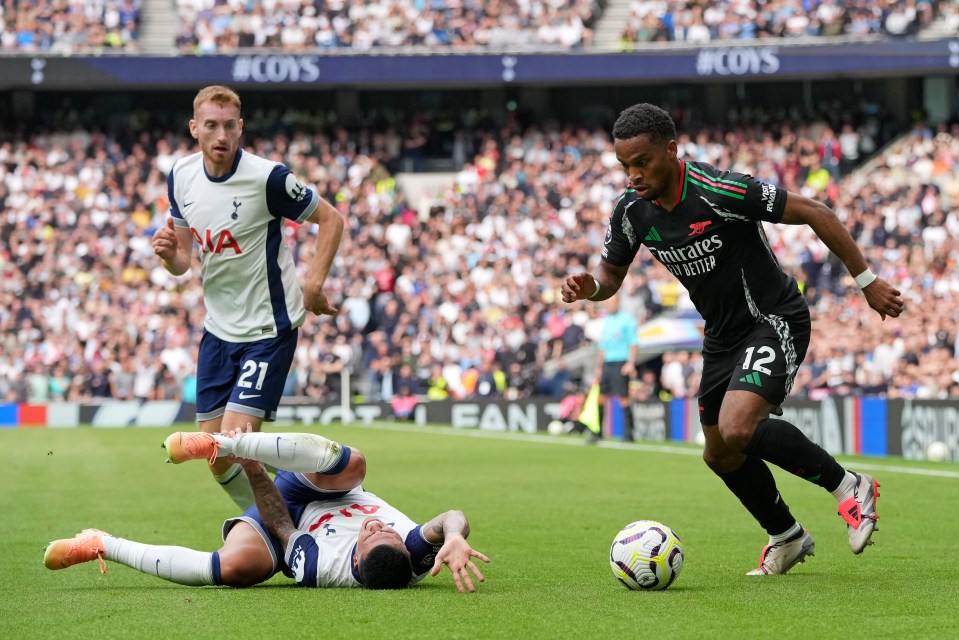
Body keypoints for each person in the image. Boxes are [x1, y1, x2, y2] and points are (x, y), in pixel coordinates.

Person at [561, 103, 905, 575]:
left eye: (642, 162)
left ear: (671, 150)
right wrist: (591, 288)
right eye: (625, 166)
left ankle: (849, 485)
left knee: (740, 427)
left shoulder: (719, 189)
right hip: (722, 337)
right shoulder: (631, 210)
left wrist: (867, 282)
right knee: (719, 451)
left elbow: (815, 210)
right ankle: (786, 536)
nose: (633, 175)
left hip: (773, 317)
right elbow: (611, 274)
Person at [151, 85, 344, 508]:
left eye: (228, 126)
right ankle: (294, 510)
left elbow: (331, 218)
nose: (220, 135)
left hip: (268, 326)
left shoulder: (267, 178)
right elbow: (184, 259)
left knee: (236, 443)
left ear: (240, 128)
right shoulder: (181, 175)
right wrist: (169, 256)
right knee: (216, 456)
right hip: (218, 329)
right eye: (210, 126)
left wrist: (312, 284)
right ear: (194, 129)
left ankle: (285, 531)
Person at [44, 429, 490, 592]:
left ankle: (101, 543)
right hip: (324, 485)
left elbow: (279, 522)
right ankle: (222, 443)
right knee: (355, 464)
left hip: (291, 517)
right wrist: (453, 535)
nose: (377, 523)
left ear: (356, 558)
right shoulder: (410, 554)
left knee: (236, 567)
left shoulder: (321, 566)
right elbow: (452, 515)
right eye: (387, 530)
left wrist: (256, 471)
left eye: (372, 534)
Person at [594, 297, 639, 441]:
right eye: (608, 303)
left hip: (621, 362)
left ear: (618, 303)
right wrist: (599, 366)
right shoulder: (607, 320)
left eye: (612, 302)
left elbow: (633, 342)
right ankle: (598, 432)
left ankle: (629, 434)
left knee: (624, 398)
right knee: (601, 398)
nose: (610, 305)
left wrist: (630, 362)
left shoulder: (627, 320)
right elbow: (603, 346)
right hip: (607, 363)